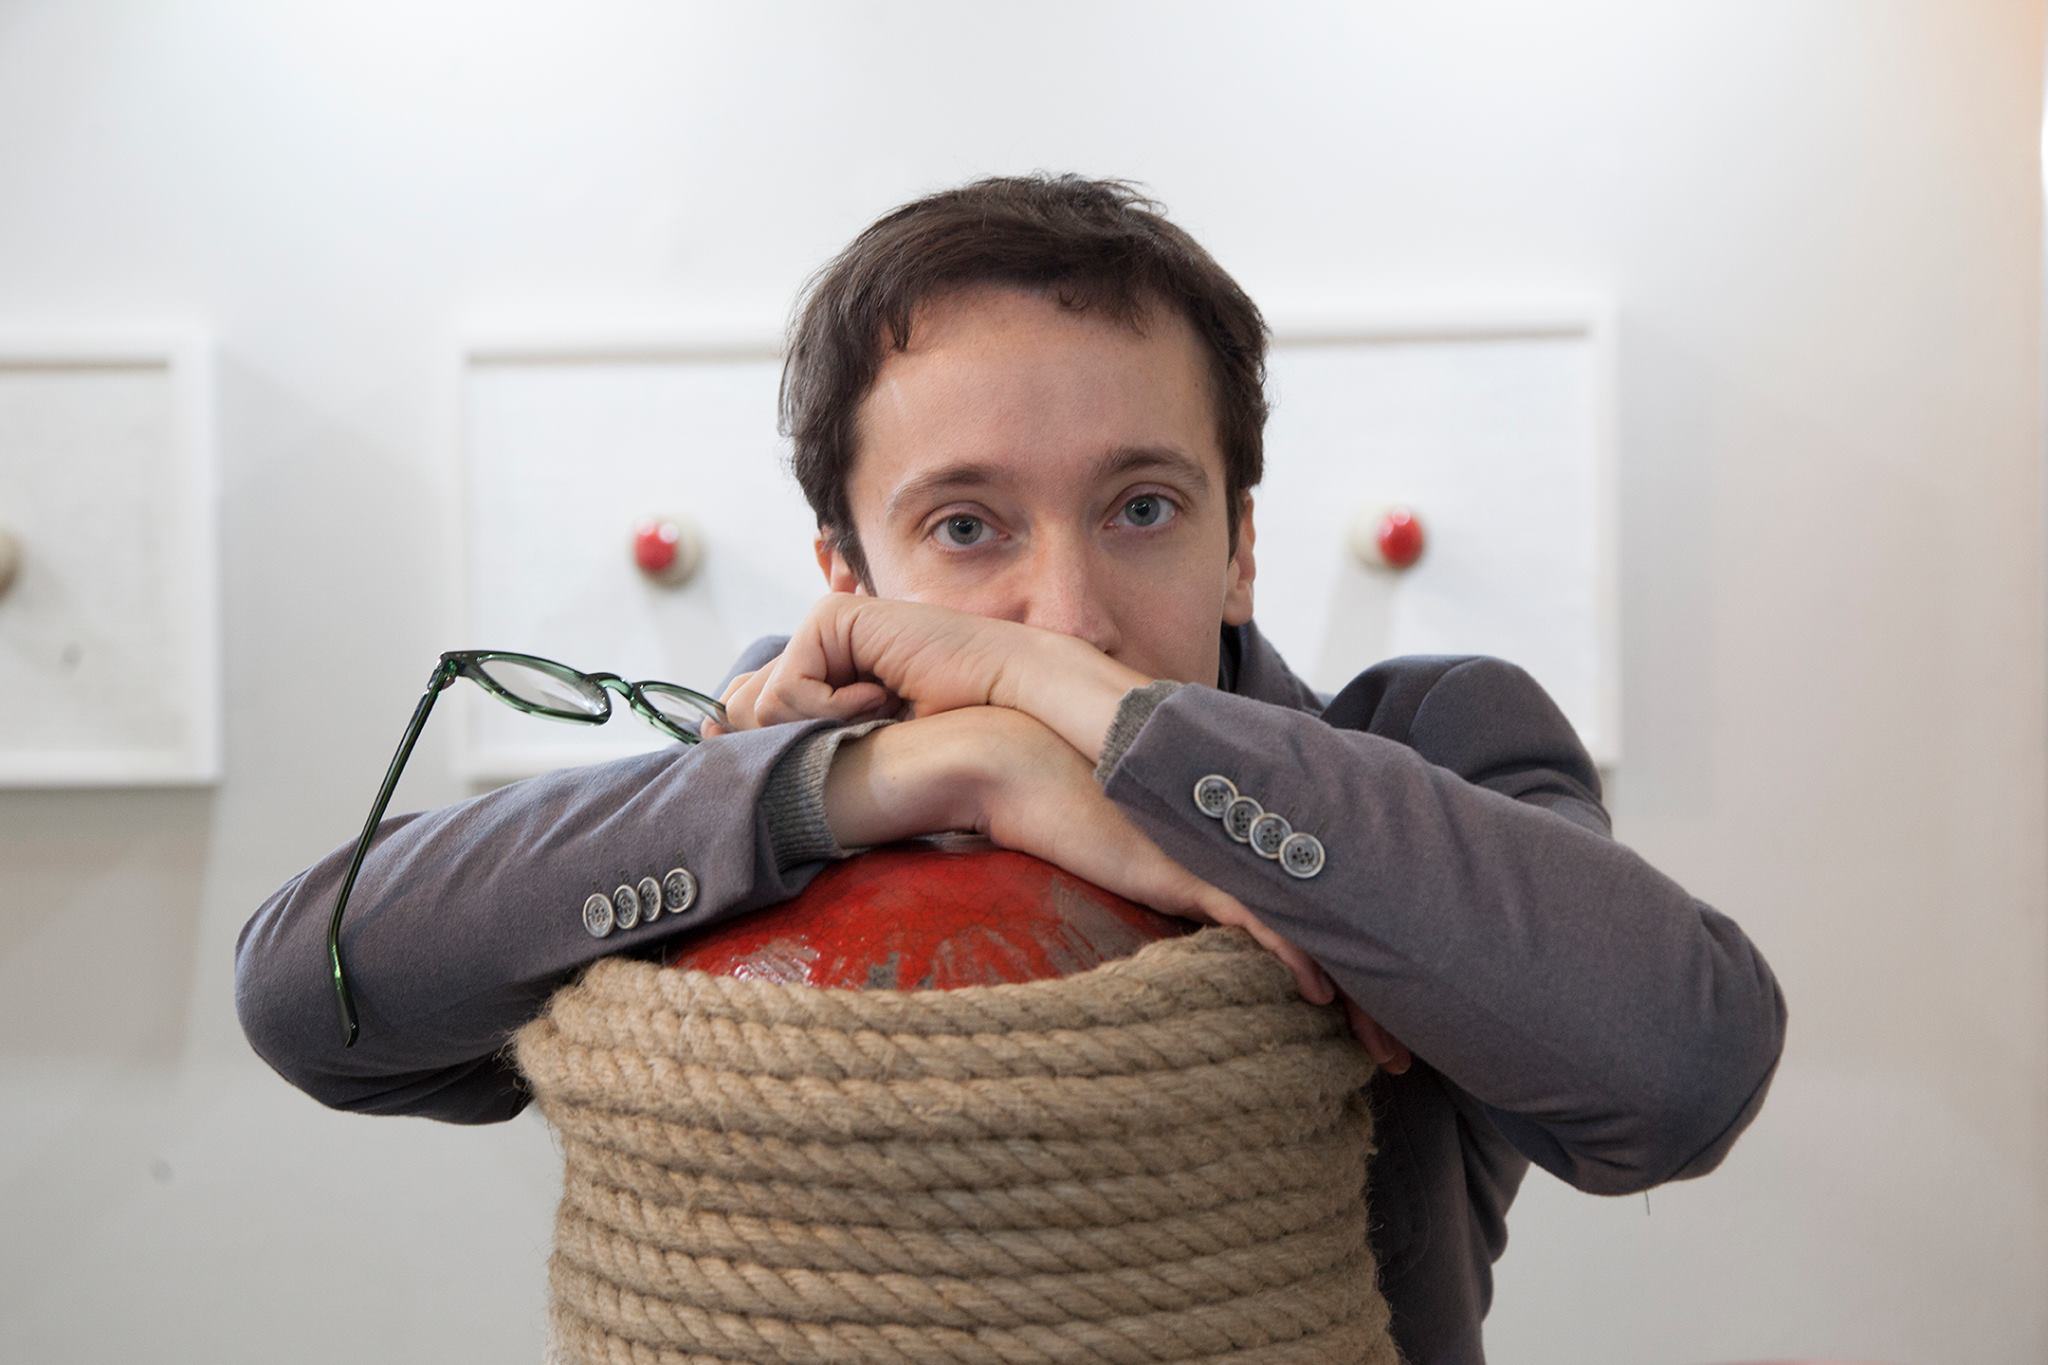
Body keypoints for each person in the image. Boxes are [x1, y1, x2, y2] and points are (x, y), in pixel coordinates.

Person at [235, 172, 1788, 1364]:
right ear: (847, 569)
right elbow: (313, 992)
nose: (1068, 611)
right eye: (967, 526)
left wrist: (1084, 719)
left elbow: (1683, 1071)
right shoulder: (749, 788)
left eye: (1142, 508)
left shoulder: (1429, 748)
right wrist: (899, 778)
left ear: (1241, 543)